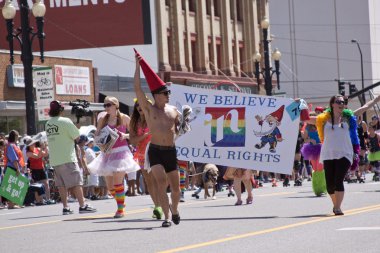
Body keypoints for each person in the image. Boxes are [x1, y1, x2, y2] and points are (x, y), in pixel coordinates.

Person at [134, 50, 181, 227]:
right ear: (156, 95)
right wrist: (137, 67)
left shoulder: (173, 110)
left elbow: (180, 128)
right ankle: (167, 217)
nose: (168, 95)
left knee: (176, 189)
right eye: (164, 92)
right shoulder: (148, 109)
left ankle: (175, 210)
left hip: (170, 150)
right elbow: (138, 89)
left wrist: (183, 125)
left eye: (168, 92)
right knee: (161, 182)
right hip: (155, 151)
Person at [88, 96, 140, 218]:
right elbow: (96, 135)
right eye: (105, 105)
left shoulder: (124, 118)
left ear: (116, 105)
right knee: (110, 187)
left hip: (121, 153)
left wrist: (124, 135)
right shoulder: (102, 119)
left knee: (117, 182)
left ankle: (120, 209)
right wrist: (100, 137)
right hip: (107, 153)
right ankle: (120, 201)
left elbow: (134, 133)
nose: (106, 107)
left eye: (109, 105)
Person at [45, 100, 96, 215]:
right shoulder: (66, 121)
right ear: (61, 110)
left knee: (61, 185)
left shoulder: (48, 124)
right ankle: (82, 205)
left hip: (55, 159)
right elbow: (78, 138)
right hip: (67, 157)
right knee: (77, 182)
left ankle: (66, 207)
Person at [315, 95, 360, 215]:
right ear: (332, 104)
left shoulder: (348, 118)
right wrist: (297, 105)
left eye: (343, 102)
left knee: (338, 180)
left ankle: (338, 207)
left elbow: (365, 107)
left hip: (345, 153)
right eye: (338, 101)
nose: (341, 103)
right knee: (330, 185)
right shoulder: (323, 120)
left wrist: (376, 100)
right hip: (328, 154)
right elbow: (304, 118)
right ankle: (335, 205)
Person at [129, 98, 163, 219]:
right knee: (149, 181)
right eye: (137, 105)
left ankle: (163, 203)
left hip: (155, 150)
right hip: (142, 153)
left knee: (158, 179)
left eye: (141, 104)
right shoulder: (134, 122)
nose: (139, 107)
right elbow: (132, 141)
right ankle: (157, 206)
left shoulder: (154, 118)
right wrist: (145, 136)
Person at [25, 139, 55, 204]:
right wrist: (41, 148)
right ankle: (40, 200)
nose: (34, 144)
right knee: (37, 185)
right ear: (29, 146)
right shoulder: (28, 153)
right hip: (34, 170)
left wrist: (46, 146)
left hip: (41, 168)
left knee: (46, 184)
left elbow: (45, 154)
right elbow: (38, 157)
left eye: (33, 143)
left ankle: (48, 199)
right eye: (32, 144)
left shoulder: (37, 149)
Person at [3, 130, 25, 209]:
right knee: (12, 186)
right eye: (17, 136)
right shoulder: (11, 146)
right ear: (15, 137)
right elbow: (14, 159)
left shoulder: (12, 145)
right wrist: (17, 168)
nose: (18, 138)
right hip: (12, 167)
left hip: (12, 167)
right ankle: (11, 204)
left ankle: (14, 203)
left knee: (14, 186)